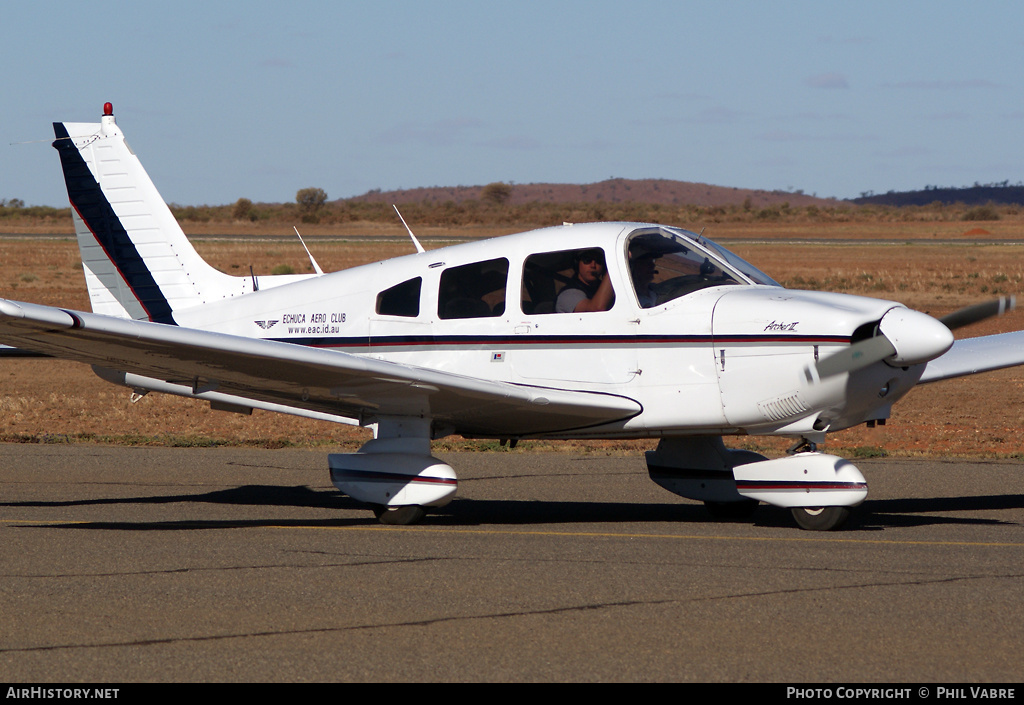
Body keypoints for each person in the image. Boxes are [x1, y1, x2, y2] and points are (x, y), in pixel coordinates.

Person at [555, 248, 615, 313]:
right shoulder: (568, 294)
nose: (593, 265)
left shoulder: (606, 288)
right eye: (587, 260)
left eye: (598, 261)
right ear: (577, 264)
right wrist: (614, 267)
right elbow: (596, 309)